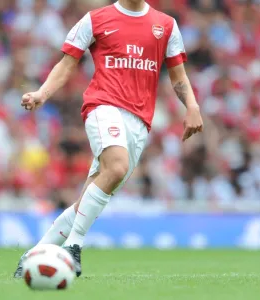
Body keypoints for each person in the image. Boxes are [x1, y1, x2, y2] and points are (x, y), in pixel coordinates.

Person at [14, 0, 203, 278]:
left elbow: (178, 75)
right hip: (103, 107)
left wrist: (192, 106)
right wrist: (42, 94)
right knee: (116, 167)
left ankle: (33, 257)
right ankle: (73, 247)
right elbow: (68, 63)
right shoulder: (95, 19)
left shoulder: (166, 25)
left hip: (140, 123)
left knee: (87, 202)